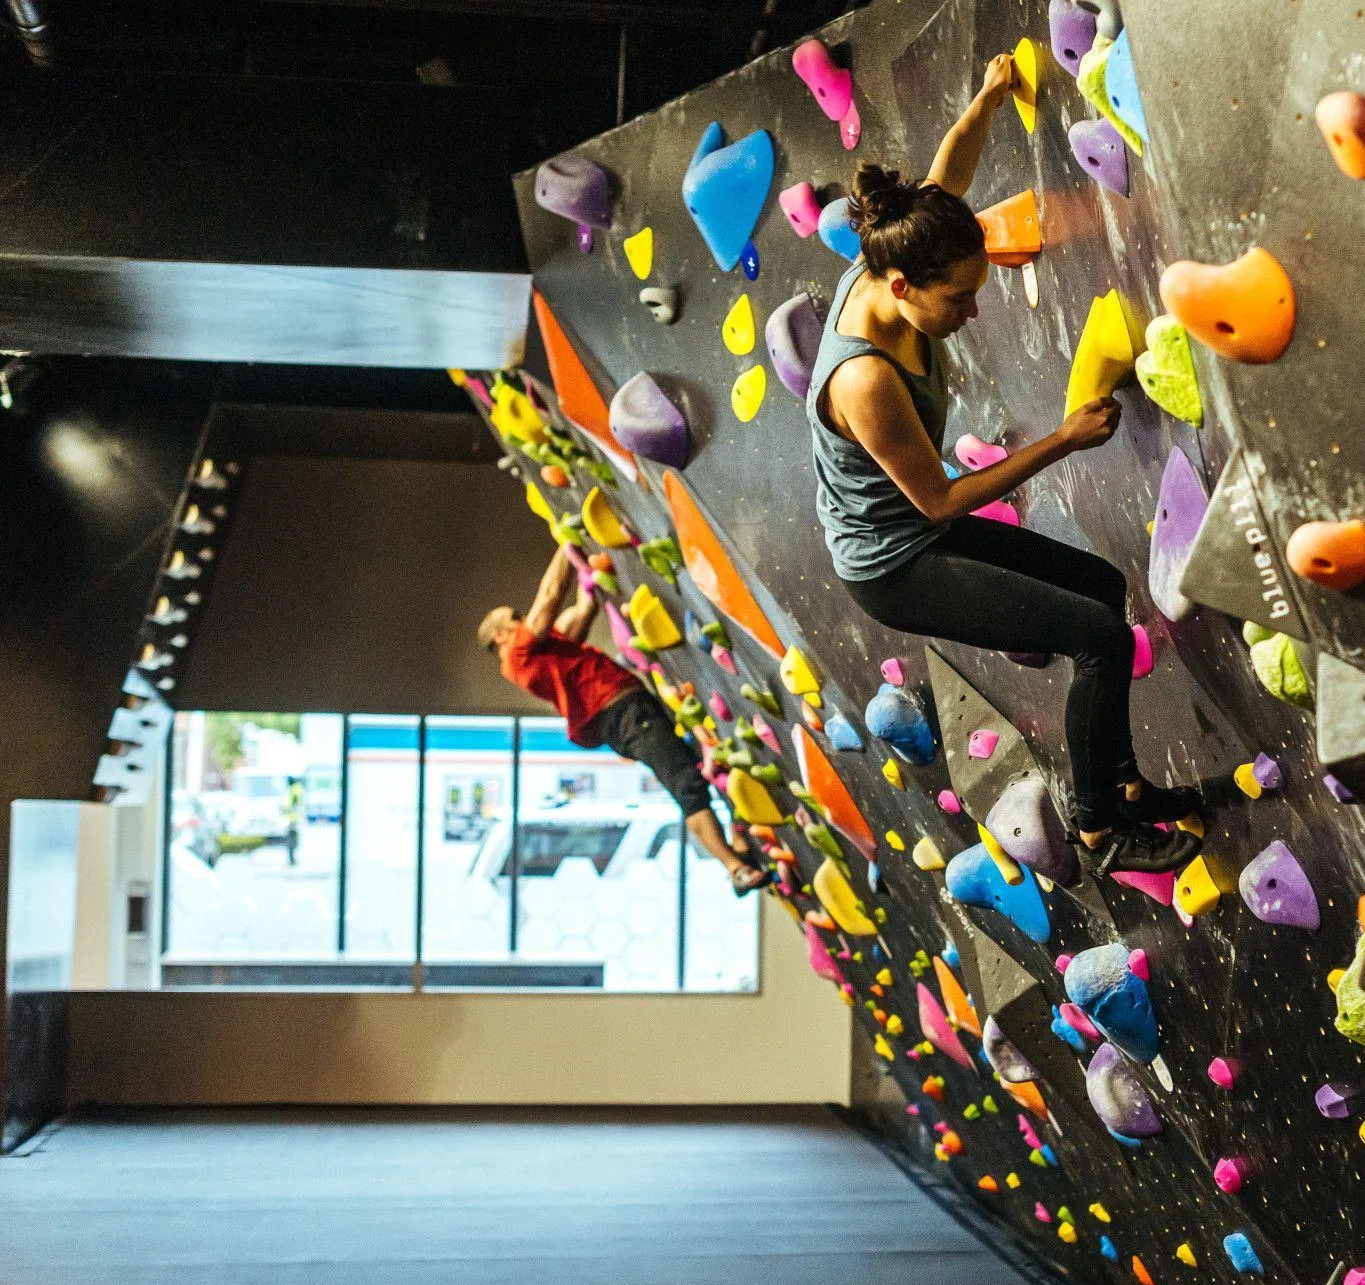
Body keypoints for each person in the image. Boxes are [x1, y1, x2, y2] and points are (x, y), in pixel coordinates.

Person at [810, 53, 1203, 876]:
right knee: (1097, 636)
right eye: (956, 298)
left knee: (1100, 589)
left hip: (914, 530)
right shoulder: (866, 379)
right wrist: (1060, 438)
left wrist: (987, 95)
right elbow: (941, 500)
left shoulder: (902, 246)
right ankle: (1098, 827)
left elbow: (948, 169)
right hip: (895, 561)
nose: (972, 308)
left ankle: (1119, 784)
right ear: (903, 287)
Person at [478, 548, 770, 892]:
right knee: (687, 784)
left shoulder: (545, 652)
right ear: (500, 635)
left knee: (702, 767)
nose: (521, 618)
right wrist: (563, 545)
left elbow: (580, 611)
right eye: (513, 618)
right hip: (622, 716)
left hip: (632, 710)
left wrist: (587, 577)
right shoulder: (515, 656)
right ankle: (734, 867)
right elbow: (549, 597)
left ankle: (739, 849)